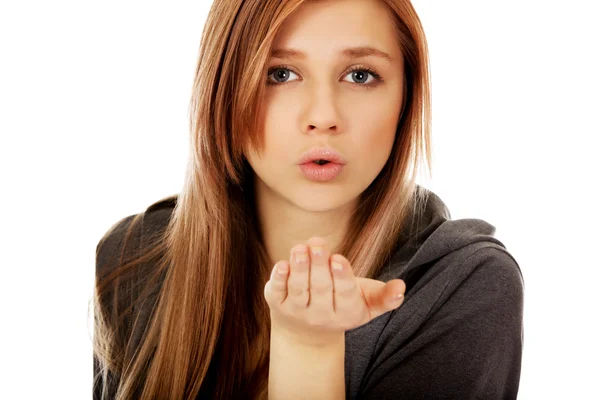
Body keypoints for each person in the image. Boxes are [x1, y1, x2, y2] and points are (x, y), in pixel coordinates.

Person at [92, 0, 525, 399]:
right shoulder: (135, 258)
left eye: (360, 75)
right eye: (280, 74)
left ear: (405, 98)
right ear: (222, 90)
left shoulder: (465, 284)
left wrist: (308, 347)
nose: (323, 117)